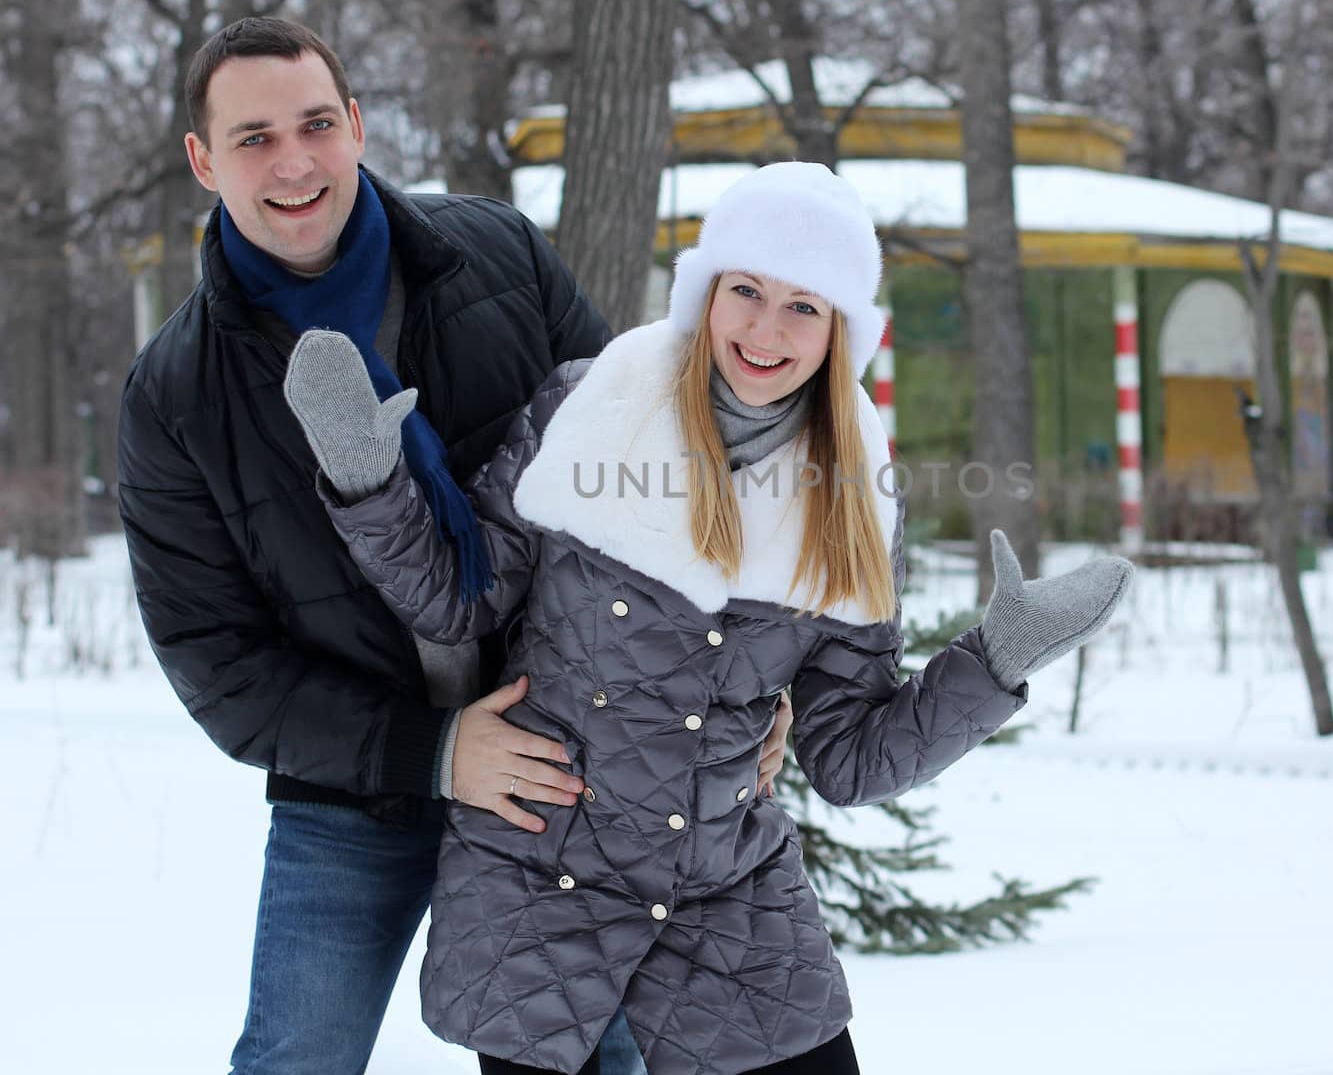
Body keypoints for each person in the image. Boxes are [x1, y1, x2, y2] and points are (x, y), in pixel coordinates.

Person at [284, 161, 1134, 1074]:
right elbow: (462, 596)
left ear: (842, 330)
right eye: (748, 292)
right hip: (539, 883)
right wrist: (369, 482)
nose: (767, 330)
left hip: (727, 899)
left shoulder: (847, 494)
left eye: (805, 307)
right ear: (709, 292)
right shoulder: (596, 406)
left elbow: (847, 758)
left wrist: (995, 660)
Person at [116, 16, 789, 1075]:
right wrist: (435, 752)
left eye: (315, 124)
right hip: (355, 797)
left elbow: (660, 477)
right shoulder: (176, 393)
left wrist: (748, 675)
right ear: (203, 160)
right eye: (251, 138)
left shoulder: (500, 258)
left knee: (591, 1060)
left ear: (357, 127)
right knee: (296, 1057)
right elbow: (216, 662)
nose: (293, 162)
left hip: (574, 777)